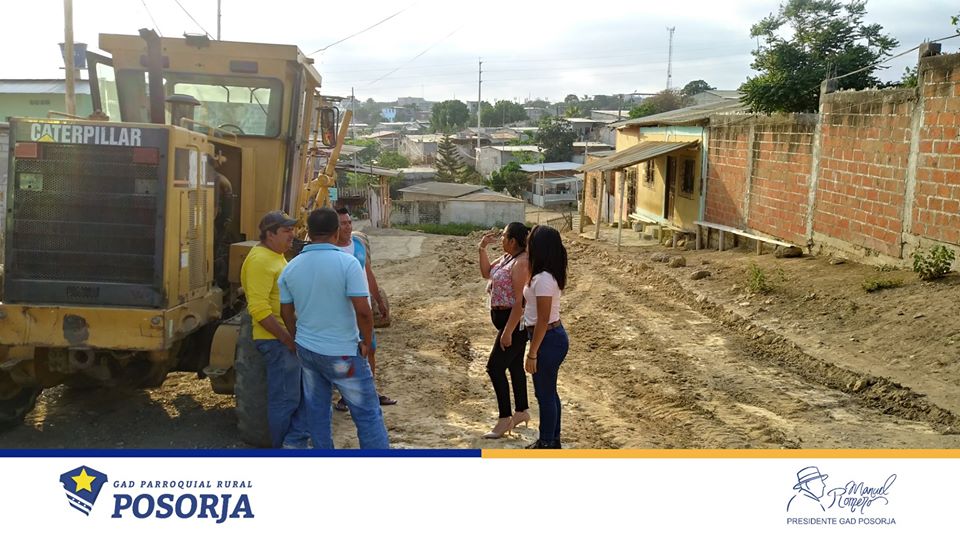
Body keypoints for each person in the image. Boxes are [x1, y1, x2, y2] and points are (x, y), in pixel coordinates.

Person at [278, 207, 389, 449]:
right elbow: (363, 311)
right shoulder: (347, 264)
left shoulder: (290, 268)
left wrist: (296, 337)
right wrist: (366, 341)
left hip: (308, 351)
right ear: (336, 232)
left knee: (317, 411)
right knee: (367, 414)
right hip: (343, 353)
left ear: (309, 233)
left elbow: (285, 310)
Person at [239, 210, 310, 449]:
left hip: (284, 339)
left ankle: (292, 442)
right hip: (275, 341)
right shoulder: (260, 260)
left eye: (293, 229)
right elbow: (258, 309)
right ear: (270, 234)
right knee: (285, 399)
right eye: (286, 230)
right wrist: (287, 339)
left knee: (296, 395)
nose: (293, 235)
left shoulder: (275, 256)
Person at [332, 207, 396, 411]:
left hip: (363, 309)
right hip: (343, 313)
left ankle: (370, 391)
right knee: (347, 353)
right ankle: (346, 396)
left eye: (349, 222)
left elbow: (368, 274)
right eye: (343, 223)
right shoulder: (331, 250)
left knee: (370, 349)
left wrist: (379, 301)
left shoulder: (358, 244)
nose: (348, 227)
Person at [478, 222, 530, 439]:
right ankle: (522, 410)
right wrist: (482, 249)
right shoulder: (508, 258)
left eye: (504, 236)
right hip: (505, 321)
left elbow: (520, 301)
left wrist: (508, 331)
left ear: (513, 241)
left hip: (514, 322)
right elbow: (486, 273)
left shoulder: (522, 262)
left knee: (494, 367)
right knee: (514, 366)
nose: (501, 239)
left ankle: (504, 418)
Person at [523, 225, 569, 449]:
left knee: (544, 394)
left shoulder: (543, 279)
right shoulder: (543, 275)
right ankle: (552, 439)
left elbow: (542, 319)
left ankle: (546, 442)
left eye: (530, 241)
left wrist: (532, 354)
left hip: (547, 338)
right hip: (548, 336)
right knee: (549, 392)